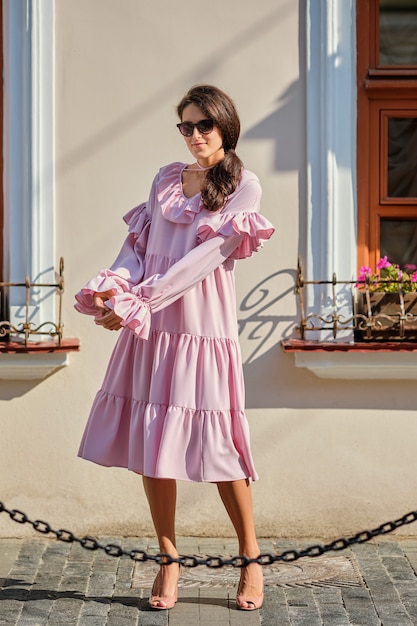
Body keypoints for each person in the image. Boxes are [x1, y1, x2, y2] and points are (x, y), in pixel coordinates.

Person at [74, 84, 274, 611]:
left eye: (203, 125)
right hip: (153, 331)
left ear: (225, 125)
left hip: (200, 330)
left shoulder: (244, 186)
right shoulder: (165, 179)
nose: (194, 136)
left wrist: (142, 300)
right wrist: (115, 287)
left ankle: (250, 557)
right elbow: (137, 248)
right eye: (185, 126)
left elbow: (202, 261)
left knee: (221, 445)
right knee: (153, 444)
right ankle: (168, 559)